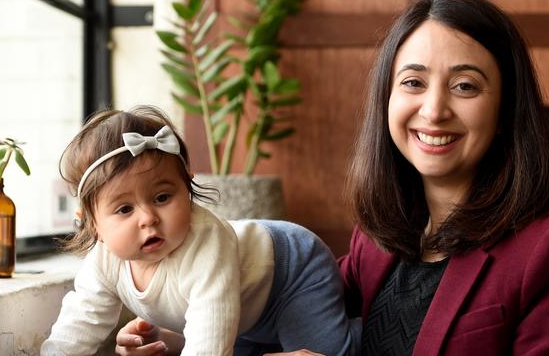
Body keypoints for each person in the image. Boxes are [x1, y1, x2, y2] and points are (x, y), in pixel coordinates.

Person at [116, 0, 549, 355]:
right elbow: (283, 318)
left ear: (505, 112)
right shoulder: (378, 240)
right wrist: (174, 337)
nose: (433, 110)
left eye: (465, 86)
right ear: (387, 100)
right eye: (413, 82)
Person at [41, 106, 359, 355]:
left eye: (163, 197)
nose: (148, 218)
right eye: (125, 209)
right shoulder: (104, 262)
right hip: (246, 311)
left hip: (292, 272)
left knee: (321, 353)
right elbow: (81, 321)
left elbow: (210, 341)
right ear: (92, 223)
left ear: (187, 187)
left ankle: (362, 333)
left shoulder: (206, 242)